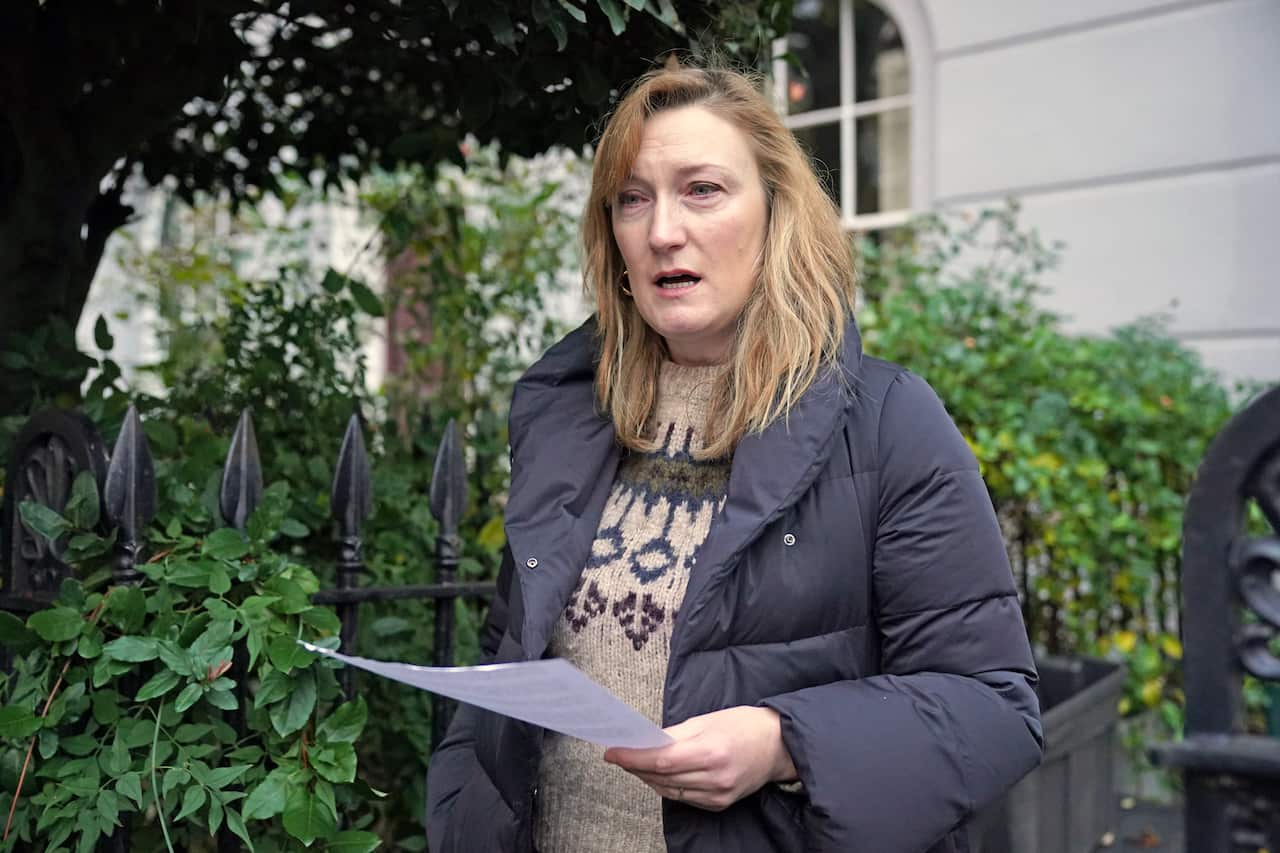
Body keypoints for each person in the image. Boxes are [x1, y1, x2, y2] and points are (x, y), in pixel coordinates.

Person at [426, 60, 1043, 853]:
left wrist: (785, 741)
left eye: (703, 190)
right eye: (632, 198)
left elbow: (994, 706)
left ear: (776, 212)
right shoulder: (567, 415)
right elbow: (504, 662)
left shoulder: (889, 423)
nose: (662, 230)